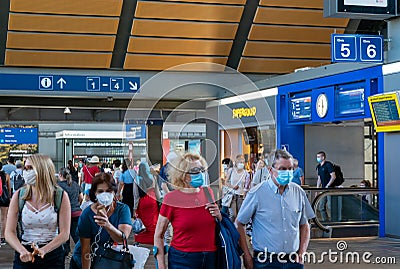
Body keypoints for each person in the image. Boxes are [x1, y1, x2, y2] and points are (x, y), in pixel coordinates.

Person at [236, 149, 315, 269]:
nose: (288, 172)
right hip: (266, 261)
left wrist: (301, 253)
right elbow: (239, 224)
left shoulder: (298, 192)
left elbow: (304, 225)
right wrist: (246, 256)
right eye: (283, 169)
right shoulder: (257, 193)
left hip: (293, 261)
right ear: (270, 170)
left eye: (290, 169)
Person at [154, 152, 221, 269]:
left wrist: (219, 216)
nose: (200, 173)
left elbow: (216, 224)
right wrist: (161, 265)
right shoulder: (171, 199)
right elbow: (158, 235)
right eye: (195, 170)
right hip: (182, 259)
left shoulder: (208, 193)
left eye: (201, 169)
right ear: (183, 175)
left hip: (211, 257)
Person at [5, 154, 71, 268]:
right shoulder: (19, 195)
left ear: (42, 170)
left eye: (30, 168)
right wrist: (21, 250)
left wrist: (44, 250)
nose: (26, 172)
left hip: (52, 255)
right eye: (25, 168)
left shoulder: (60, 196)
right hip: (25, 253)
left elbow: (64, 234)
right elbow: (9, 232)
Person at [70, 172, 132, 269]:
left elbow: (122, 239)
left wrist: (107, 225)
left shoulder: (122, 209)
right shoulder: (87, 214)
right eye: (100, 191)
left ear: (114, 192)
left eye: (108, 191)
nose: (105, 195)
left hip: (111, 259)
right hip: (88, 260)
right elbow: (85, 250)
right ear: (95, 193)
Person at [57, 167, 83, 256]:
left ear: (60, 175)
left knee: (64, 233)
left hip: (63, 214)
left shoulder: (58, 186)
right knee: (76, 235)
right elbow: (81, 197)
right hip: (76, 212)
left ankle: (66, 252)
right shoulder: (75, 184)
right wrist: (77, 205)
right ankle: (82, 250)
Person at [134, 162, 160, 245]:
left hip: (142, 202)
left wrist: (134, 209)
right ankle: (154, 239)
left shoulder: (136, 179)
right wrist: (159, 201)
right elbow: (157, 192)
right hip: (152, 201)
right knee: (153, 220)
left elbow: (136, 196)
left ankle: (141, 239)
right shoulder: (153, 177)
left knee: (144, 221)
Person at [225, 154, 250, 221]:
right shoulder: (231, 170)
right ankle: (231, 229)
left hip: (241, 196)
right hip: (232, 195)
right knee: (233, 215)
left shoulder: (246, 173)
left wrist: (245, 193)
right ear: (236, 162)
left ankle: (238, 230)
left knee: (240, 216)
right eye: (240, 162)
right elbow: (226, 182)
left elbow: (246, 186)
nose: (241, 164)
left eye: (243, 162)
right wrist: (232, 186)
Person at [316, 151, 336, 221]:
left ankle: (333, 221)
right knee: (321, 206)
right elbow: (319, 178)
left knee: (330, 206)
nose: (317, 158)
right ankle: (325, 221)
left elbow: (333, 176)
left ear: (323, 157)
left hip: (330, 188)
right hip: (323, 189)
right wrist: (317, 189)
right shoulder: (319, 167)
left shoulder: (328, 165)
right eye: (317, 157)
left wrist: (328, 185)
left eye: (319, 157)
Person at [0, 163, 11, 246]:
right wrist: (9, 197)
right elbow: (9, 187)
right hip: (4, 198)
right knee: (4, 218)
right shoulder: (6, 175)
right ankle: (2, 237)